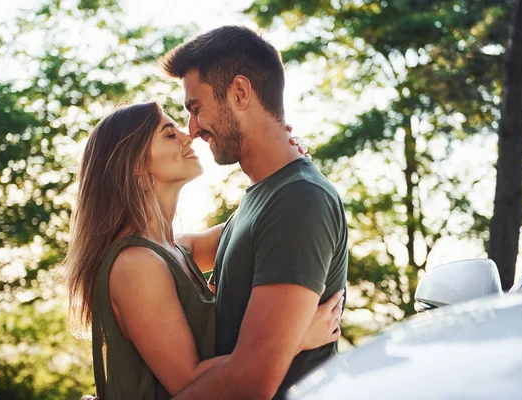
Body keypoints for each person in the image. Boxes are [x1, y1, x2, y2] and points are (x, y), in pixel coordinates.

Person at [63, 101, 344, 400]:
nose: (189, 135)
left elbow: (265, 223)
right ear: (135, 165)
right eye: (169, 134)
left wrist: (287, 156)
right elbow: (189, 384)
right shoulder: (136, 264)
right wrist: (293, 341)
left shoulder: (175, 249)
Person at [160, 25, 349, 399]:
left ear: (240, 93)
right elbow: (169, 250)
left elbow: (252, 381)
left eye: (195, 108)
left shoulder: (299, 200)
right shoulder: (263, 197)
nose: (192, 129)